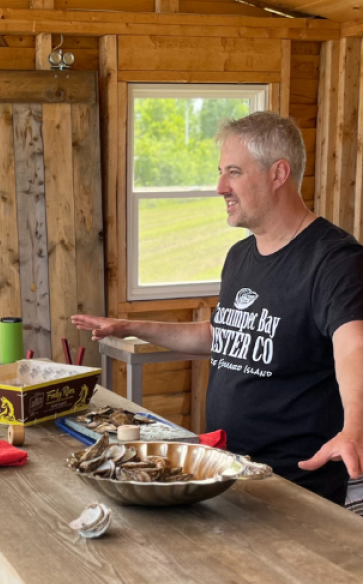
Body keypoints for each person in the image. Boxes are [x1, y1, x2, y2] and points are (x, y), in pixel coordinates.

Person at [72, 111, 363, 506]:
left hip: (296, 484)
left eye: (234, 172)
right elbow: (220, 335)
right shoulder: (240, 256)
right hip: (229, 467)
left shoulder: (335, 260)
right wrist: (128, 325)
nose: (219, 186)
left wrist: (354, 429)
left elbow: (354, 346)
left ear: (278, 174)